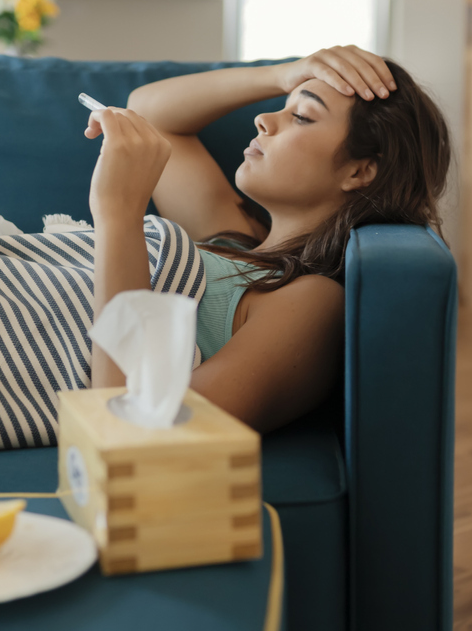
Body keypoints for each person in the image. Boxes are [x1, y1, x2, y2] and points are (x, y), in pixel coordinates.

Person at [85, 45, 451, 433]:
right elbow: (149, 114)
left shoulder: (307, 300)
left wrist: (119, 215)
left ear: (360, 172)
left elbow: (138, 429)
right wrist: (285, 74)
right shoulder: (232, 238)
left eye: (302, 116)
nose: (262, 119)